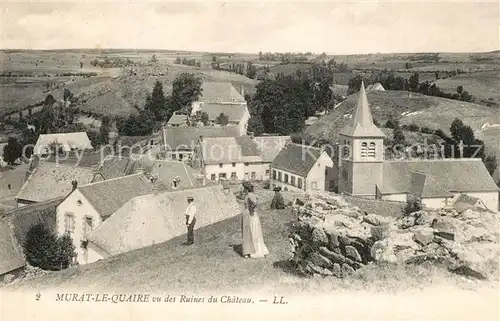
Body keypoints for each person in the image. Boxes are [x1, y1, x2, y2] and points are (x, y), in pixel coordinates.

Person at [241, 181, 269, 258]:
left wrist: (251, 209)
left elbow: (254, 202)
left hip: (249, 215)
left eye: (244, 188)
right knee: (254, 231)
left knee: (249, 231)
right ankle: (253, 249)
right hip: (253, 214)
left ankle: (251, 251)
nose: (243, 190)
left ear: (246, 189)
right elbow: (255, 201)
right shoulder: (253, 195)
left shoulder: (249, 195)